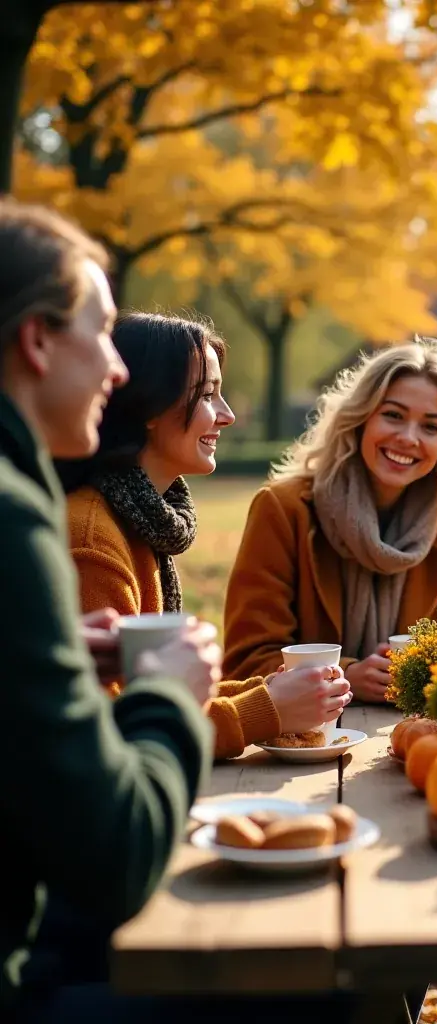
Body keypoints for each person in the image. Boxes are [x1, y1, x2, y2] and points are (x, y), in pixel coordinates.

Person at [0, 199, 221, 1018]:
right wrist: (168, 693)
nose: (117, 370)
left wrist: (55, 648)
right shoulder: (21, 521)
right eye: (99, 332)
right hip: (25, 976)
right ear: (37, 342)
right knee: (319, 984)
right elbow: (115, 858)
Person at [57, 312, 350, 758]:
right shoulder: (93, 539)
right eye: (207, 394)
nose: (227, 415)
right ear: (150, 406)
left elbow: (158, 693)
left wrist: (268, 690)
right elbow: (113, 727)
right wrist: (266, 710)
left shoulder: (142, 518)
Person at [223, 338, 437, 702]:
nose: (408, 438)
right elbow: (245, 662)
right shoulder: (284, 509)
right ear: (360, 418)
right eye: (393, 415)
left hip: (404, 729)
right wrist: (346, 675)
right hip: (301, 730)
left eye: (431, 427)